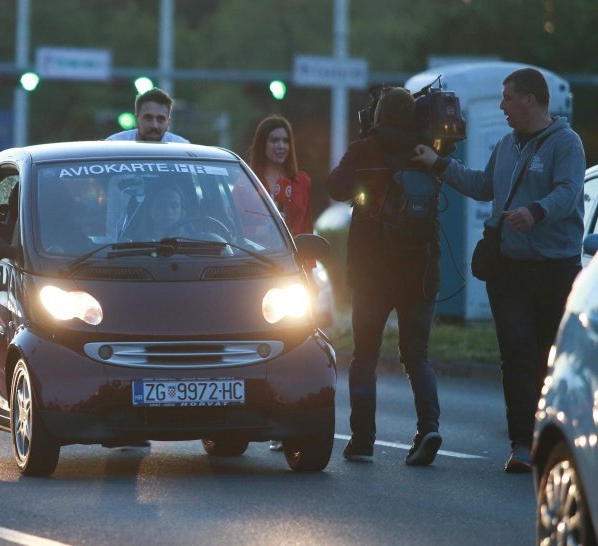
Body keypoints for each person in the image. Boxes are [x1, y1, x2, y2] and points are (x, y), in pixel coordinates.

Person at [414, 67, 585, 473]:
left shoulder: (567, 143)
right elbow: (482, 185)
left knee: (549, 355)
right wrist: (438, 163)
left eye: (507, 98)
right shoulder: (507, 145)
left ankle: (552, 436)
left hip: (555, 268)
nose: (502, 106)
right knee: (515, 353)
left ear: (529, 98)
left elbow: (569, 192)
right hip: (507, 269)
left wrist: (535, 212)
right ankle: (521, 445)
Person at [328, 87, 443, 466]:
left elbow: (335, 187)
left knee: (364, 357)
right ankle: (428, 427)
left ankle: (362, 438)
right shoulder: (426, 150)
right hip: (419, 271)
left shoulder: (365, 150)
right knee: (417, 357)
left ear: (377, 115)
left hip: (372, 272)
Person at [248, 115, 313, 451]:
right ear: (263, 144)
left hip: (292, 273)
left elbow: (307, 228)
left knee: (293, 347)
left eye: (285, 141)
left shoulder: (301, 181)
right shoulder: (246, 181)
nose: (280, 147)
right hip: (256, 273)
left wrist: (310, 272)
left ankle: (287, 422)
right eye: (274, 140)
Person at [106, 87, 189, 143]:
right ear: (137, 119)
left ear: (168, 122)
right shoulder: (114, 146)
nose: (154, 125)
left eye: (160, 119)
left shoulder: (183, 150)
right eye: (148, 118)